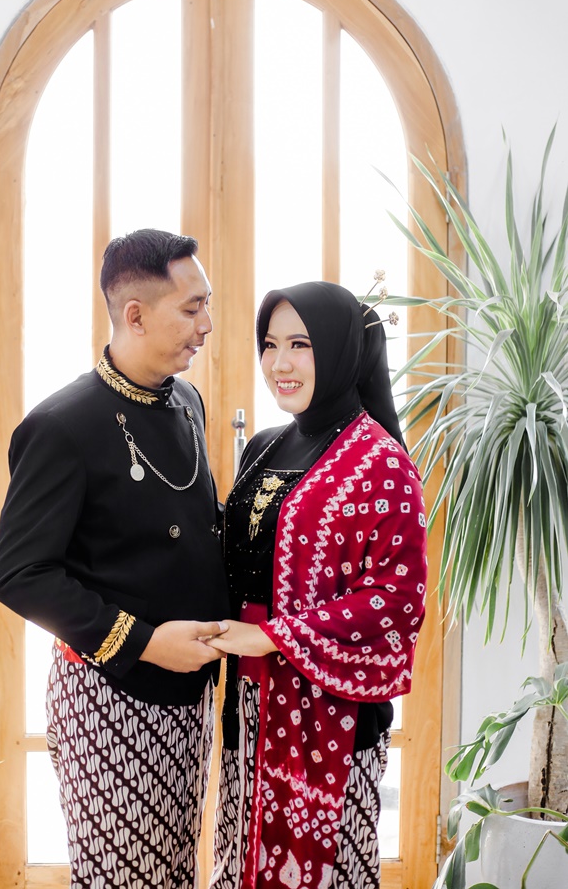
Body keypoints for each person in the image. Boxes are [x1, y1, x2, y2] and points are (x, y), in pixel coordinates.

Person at [0, 229, 230, 889]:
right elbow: (19, 575)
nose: (206, 325)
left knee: (171, 870)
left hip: (188, 690)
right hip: (109, 695)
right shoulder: (61, 425)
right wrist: (147, 643)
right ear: (135, 315)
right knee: (121, 878)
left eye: (206, 305)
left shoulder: (185, 400)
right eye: (191, 308)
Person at [205, 280, 428, 889]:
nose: (280, 363)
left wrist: (275, 637)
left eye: (300, 345)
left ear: (339, 349)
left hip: (335, 711)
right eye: (270, 344)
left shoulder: (382, 463)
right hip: (249, 697)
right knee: (243, 858)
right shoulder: (262, 446)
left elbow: (397, 598)